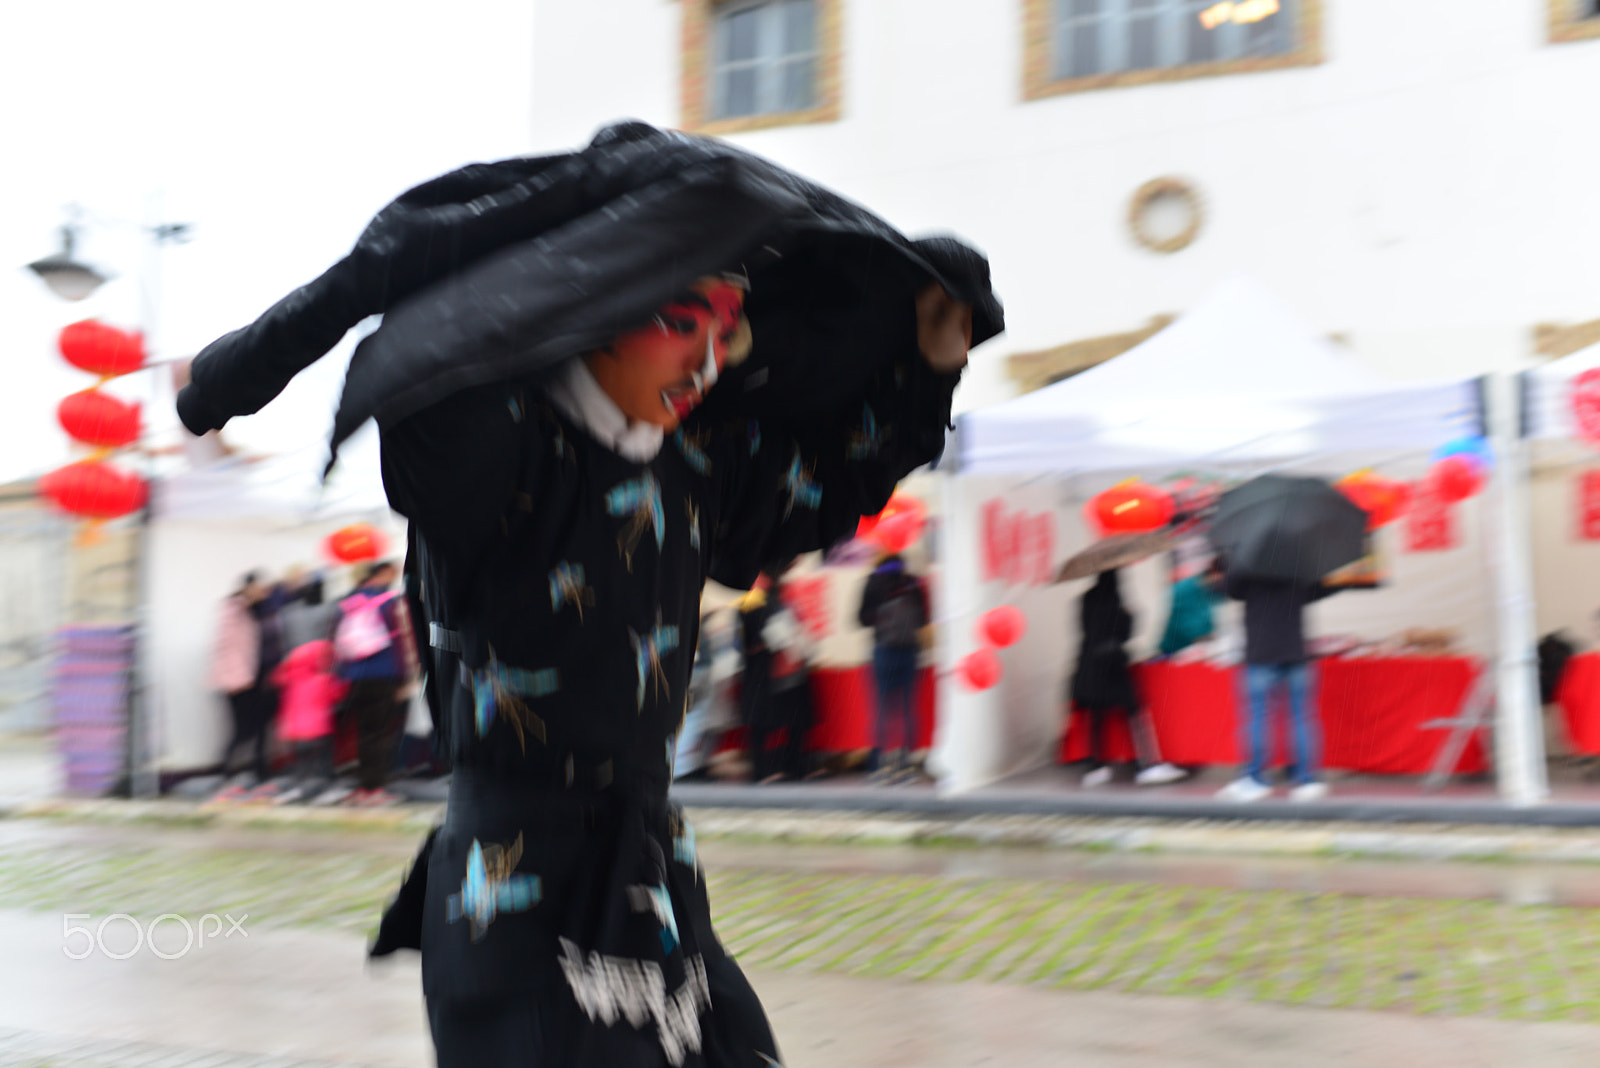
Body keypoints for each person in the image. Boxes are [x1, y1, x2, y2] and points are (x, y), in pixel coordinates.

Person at [174, 121, 1000, 1067]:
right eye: (682, 321)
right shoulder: (494, 446)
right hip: (515, 886)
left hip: (654, 872)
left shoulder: (696, 462)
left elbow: (826, 487)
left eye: (726, 329)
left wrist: (929, 373)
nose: (707, 358)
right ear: (605, 299)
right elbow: (442, 364)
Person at [1216, 570, 1338, 803]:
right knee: (1302, 717)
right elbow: (1317, 590)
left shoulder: (1248, 556)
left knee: (1258, 717)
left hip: (1261, 650)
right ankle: (1307, 780)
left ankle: (1255, 778)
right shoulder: (1300, 557)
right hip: (1296, 648)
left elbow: (1231, 590)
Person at [1068, 570, 1185, 788]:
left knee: (1095, 719)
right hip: (1114, 665)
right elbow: (1125, 633)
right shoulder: (1116, 600)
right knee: (1134, 713)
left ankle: (1095, 766)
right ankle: (1146, 763)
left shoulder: (1085, 599)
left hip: (1089, 666)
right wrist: (1130, 614)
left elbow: (1086, 630)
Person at [333, 561, 419, 807]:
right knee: (381, 732)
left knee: (363, 731)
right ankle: (375, 788)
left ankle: (363, 787)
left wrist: (342, 674)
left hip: (354, 676)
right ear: (383, 573)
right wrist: (407, 676)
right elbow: (403, 639)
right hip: (385, 674)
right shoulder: (390, 601)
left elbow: (337, 643)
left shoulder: (347, 603)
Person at [858, 552, 929, 782]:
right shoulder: (912, 581)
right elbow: (923, 619)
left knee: (882, 709)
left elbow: (861, 619)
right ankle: (906, 766)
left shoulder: (873, 582)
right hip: (909, 651)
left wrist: (880, 617)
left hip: (884, 651)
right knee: (908, 709)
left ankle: (879, 767)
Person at [751, 568, 815, 784]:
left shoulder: (764, 604)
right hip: (785, 672)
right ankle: (785, 767)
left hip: (777, 674)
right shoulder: (775, 606)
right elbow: (783, 640)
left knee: (782, 722)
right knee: (789, 722)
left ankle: (779, 767)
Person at [210, 572, 269, 799]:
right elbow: (227, 646)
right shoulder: (234, 609)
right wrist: (239, 676)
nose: (261, 592)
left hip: (246, 678)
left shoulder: (247, 610)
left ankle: (248, 771)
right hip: (236, 680)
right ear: (247, 587)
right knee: (242, 729)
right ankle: (226, 773)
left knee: (253, 728)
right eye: (258, 588)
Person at [270, 638, 347, 804]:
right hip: (319, 732)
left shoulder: (291, 680)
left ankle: (300, 790)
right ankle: (324, 790)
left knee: (302, 764)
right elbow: (338, 695)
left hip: (295, 734)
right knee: (322, 764)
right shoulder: (323, 679)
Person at [1158, 556, 1224, 657]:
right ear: (1215, 572)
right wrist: (1206, 637)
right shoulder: (1184, 589)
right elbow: (1182, 622)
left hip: (1195, 649)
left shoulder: (1210, 590)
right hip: (1175, 650)